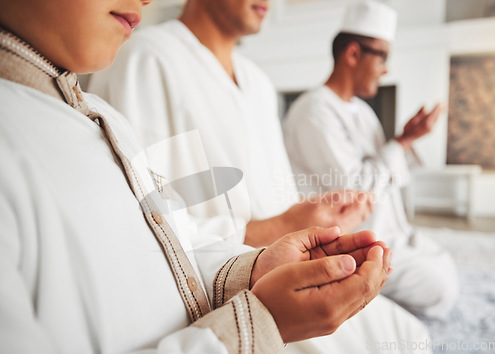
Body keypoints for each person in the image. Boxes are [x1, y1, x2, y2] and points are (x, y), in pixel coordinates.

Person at [0, 0, 399, 352]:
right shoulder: (149, 59)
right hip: (234, 310)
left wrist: (260, 263)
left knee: (400, 330)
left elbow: (167, 243)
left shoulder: (102, 116)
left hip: (242, 275)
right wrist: (264, 314)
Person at [88, 1, 373, 249]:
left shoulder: (258, 82)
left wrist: (313, 217)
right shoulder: (146, 58)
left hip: (289, 271)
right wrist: (281, 227)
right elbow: (146, 223)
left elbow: (275, 199)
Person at [283, 0, 459, 319]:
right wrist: (402, 142)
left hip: (391, 232)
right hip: (355, 242)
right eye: (383, 57)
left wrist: (407, 138)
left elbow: (386, 173)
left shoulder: (364, 112)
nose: (386, 68)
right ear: (353, 54)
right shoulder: (313, 110)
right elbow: (355, 189)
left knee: (444, 260)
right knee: (440, 287)